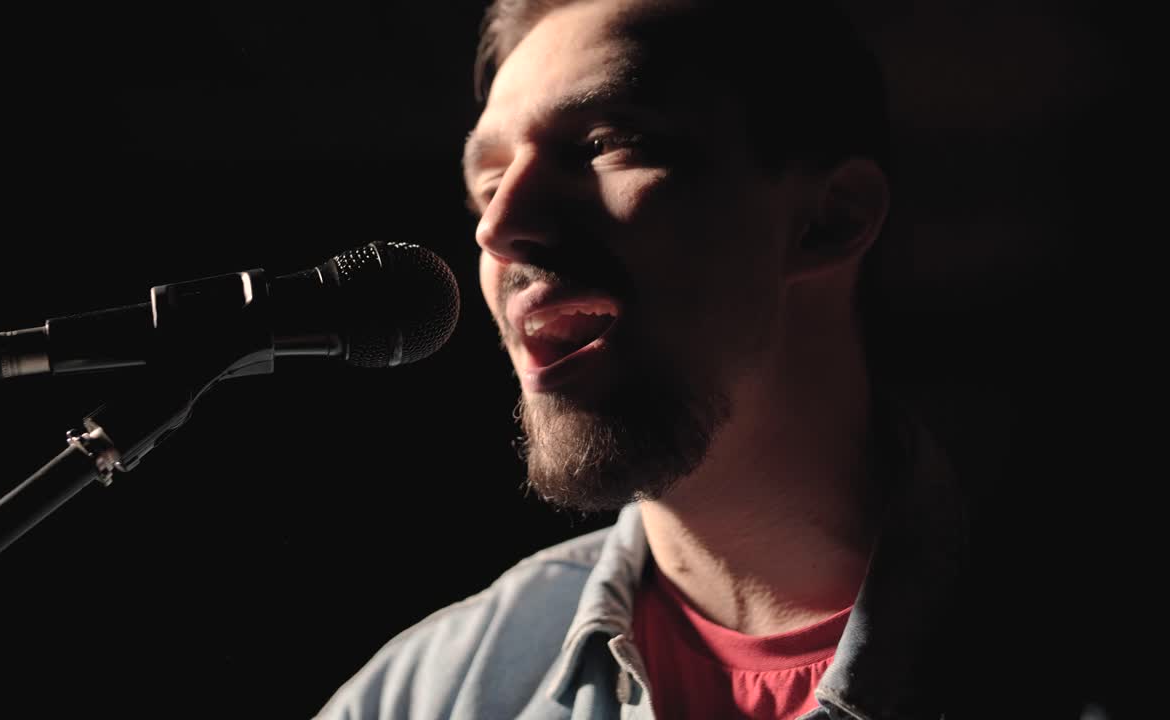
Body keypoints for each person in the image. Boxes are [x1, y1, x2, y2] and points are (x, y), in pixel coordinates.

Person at [318, 1, 993, 717]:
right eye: (488, 185)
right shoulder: (424, 696)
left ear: (831, 219)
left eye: (608, 143)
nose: (500, 226)